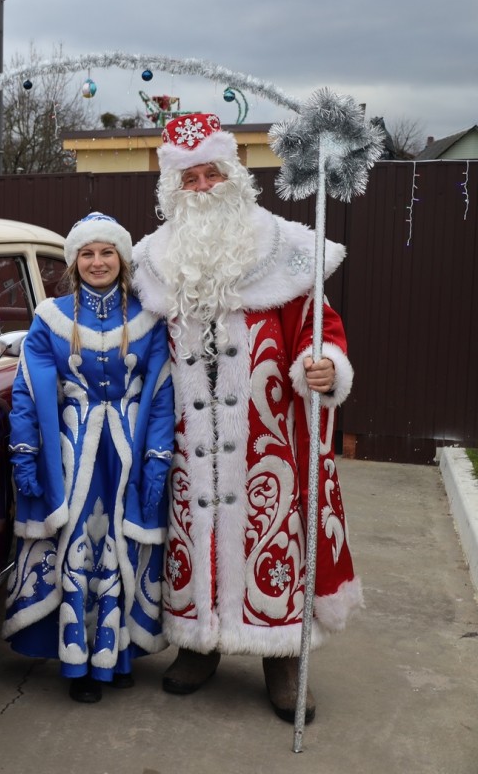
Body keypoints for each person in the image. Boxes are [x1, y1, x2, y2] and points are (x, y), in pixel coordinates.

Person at [132, 113, 364, 723]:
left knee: (270, 539)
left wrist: (324, 364)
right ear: (173, 188)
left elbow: (322, 328)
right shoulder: (153, 260)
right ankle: (199, 643)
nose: (203, 186)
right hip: (186, 437)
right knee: (192, 537)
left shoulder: (283, 249)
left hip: (267, 442)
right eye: (190, 177)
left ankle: (282, 657)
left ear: (234, 177)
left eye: (212, 173)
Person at [3, 211, 174, 703]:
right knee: (77, 545)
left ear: (121, 258)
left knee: (121, 547)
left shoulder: (147, 316)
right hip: (72, 457)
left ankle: (117, 657)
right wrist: (26, 457)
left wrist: (157, 460)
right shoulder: (50, 316)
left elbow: (162, 395)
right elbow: (27, 393)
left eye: (107, 252)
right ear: (74, 261)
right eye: (87, 253)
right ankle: (77, 665)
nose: (97, 262)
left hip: (127, 456)